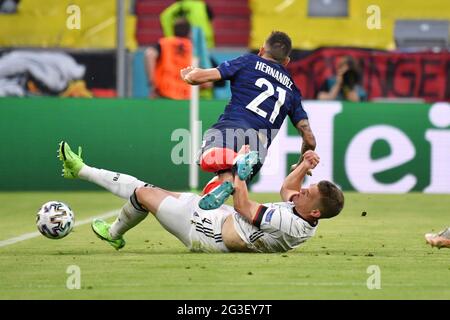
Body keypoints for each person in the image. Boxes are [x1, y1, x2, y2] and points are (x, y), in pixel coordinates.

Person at [58, 141, 344, 253]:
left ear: (315, 212)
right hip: (218, 218)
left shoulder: (289, 224)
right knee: (147, 190)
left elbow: (244, 206)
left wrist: (240, 174)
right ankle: (82, 170)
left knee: (143, 193)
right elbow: (287, 191)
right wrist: (304, 166)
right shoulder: (302, 212)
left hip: (207, 234)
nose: (303, 190)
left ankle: (114, 231)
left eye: (308, 192)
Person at [180, 31, 317, 210]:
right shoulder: (292, 89)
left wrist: (189, 74)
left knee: (207, 157)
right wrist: (301, 165)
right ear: (286, 62)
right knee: (225, 179)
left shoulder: (248, 61)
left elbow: (198, 78)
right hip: (259, 147)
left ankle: (237, 159)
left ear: (261, 51)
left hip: (232, 127)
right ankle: (218, 190)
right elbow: (309, 139)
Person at [145, 17, 193, 99]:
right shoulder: (193, 47)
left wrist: (152, 82)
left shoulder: (164, 43)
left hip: (163, 92)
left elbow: (149, 54)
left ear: (173, 30)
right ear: (189, 32)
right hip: (186, 95)